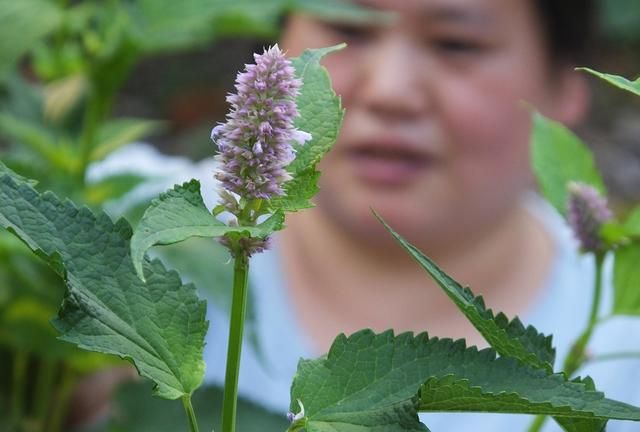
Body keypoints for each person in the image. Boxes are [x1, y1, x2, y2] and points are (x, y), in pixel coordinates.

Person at [96, 0, 640, 430]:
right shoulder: (118, 218)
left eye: (457, 42)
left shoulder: (625, 345)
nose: (390, 91)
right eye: (347, 24)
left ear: (567, 87)